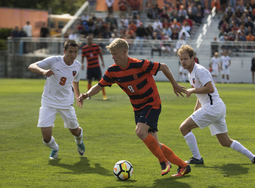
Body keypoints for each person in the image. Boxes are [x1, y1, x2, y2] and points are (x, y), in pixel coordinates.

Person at [77, 38, 191, 177]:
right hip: (137, 108)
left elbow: (163, 66)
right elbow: (99, 85)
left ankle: (164, 162)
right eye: (112, 54)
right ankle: (184, 166)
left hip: (151, 103)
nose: (113, 57)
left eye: (115, 53)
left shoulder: (139, 64)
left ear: (124, 52)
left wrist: (175, 85)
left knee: (140, 132)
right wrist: (86, 94)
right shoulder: (113, 71)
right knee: (155, 144)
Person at [177, 44, 255, 165]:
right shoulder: (191, 73)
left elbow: (210, 88)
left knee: (184, 128)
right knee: (225, 142)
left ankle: (197, 158)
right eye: (181, 59)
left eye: (185, 59)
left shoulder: (199, 70)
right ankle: (253, 157)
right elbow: (201, 95)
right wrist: (196, 110)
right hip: (216, 107)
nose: (183, 62)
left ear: (192, 58)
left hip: (212, 107)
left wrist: (192, 90)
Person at [27, 40, 85, 160]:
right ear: (64, 51)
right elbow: (31, 66)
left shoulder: (77, 65)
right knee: (46, 138)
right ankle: (55, 148)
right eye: (70, 52)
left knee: (75, 131)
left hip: (66, 103)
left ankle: (79, 141)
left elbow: (75, 80)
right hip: (49, 102)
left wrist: (77, 96)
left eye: (75, 52)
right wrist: (43, 71)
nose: (73, 55)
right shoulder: (54, 60)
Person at [81, 35, 107, 100]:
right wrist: (82, 64)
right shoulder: (84, 48)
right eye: (88, 39)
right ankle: (89, 95)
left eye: (90, 39)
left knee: (101, 81)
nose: (89, 40)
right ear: (86, 40)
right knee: (89, 81)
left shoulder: (96, 46)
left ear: (92, 40)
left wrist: (102, 62)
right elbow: (82, 57)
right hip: (89, 67)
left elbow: (100, 54)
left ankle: (104, 95)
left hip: (96, 67)